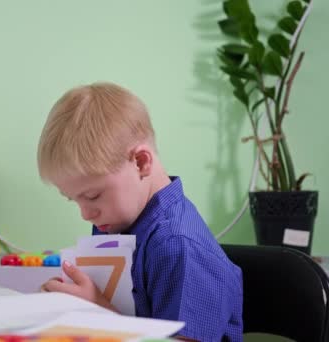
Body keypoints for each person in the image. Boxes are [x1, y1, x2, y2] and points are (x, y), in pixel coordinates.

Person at [37, 82, 243, 341]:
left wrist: (98, 313)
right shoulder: (116, 221)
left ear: (141, 162)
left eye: (92, 196)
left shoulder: (179, 248)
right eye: (73, 200)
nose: (85, 214)